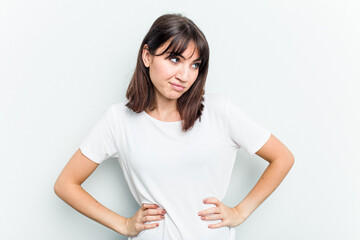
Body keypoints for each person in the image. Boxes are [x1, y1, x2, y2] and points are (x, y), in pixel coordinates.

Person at [54, 13, 295, 240]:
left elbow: (283, 157)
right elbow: (65, 184)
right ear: (147, 56)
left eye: (195, 65)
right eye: (175, 59)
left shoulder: (219, 111)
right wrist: (123, 224)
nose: (184, 75)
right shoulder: (118, 120)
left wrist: (241, 212)